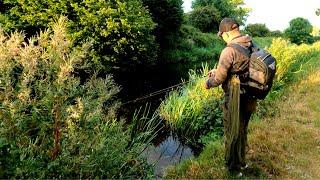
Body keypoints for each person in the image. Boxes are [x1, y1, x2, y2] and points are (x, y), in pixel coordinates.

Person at [205, 18, 257, 176]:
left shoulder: (228, 50)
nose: (222, 39)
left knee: (232, 130)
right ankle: (242, 161)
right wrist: (217, 71)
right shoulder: (250, 43)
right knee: (242, 128)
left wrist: (208, 82)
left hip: (235, 96)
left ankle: (233, 168)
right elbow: (240, 68)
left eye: (222, 36)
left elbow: (219, 79)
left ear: (226, 33)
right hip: (250, 95)